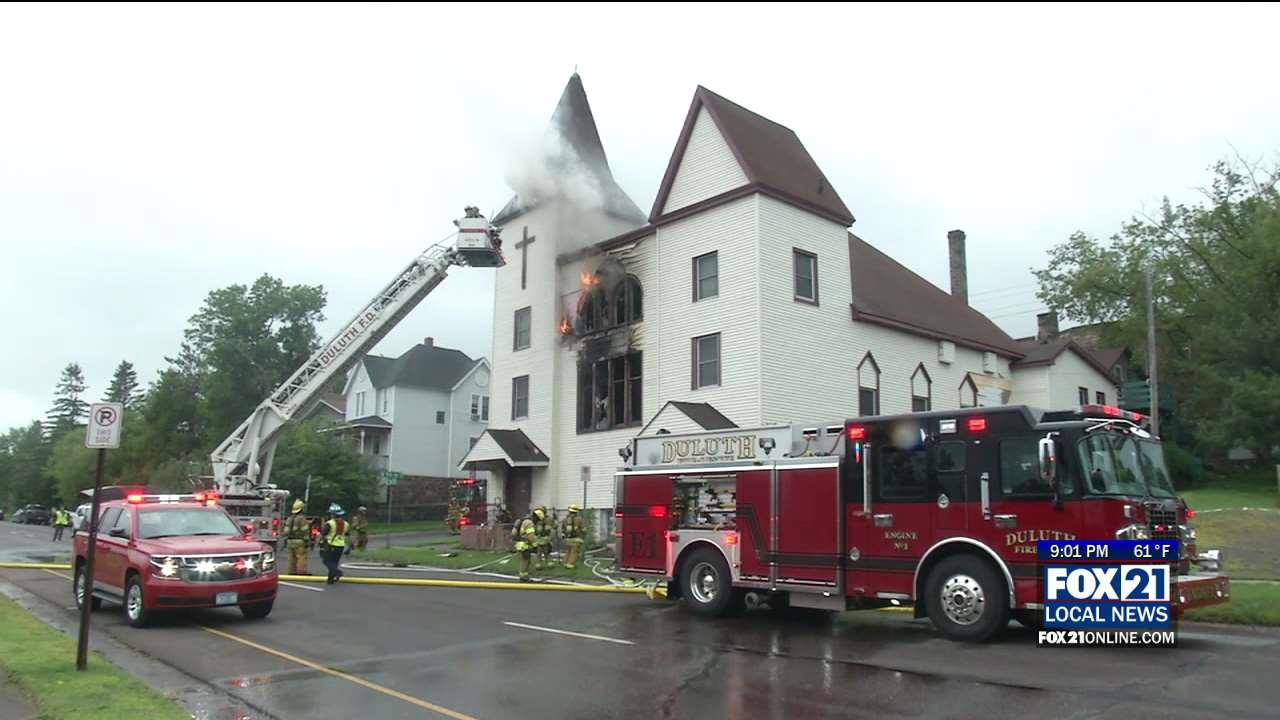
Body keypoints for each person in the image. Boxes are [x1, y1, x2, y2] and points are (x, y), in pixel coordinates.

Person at [320, 504, 349, 584]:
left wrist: (320, 543)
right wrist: (349, 547)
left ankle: (337, 572)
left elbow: (323, 534)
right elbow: (347, 534)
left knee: (326, 561)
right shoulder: (346, 524)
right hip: (341, 546)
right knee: (334, 562)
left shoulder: (329, 523)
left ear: (332, 514)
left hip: (331, 545)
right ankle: (330, 580)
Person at [283, 499, 310, 575]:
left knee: (292, 557)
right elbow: (305, 530)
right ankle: (302, 572)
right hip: (299, 541)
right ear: (301, 509)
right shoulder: (302, 519)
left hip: (290, 541)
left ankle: (291, 571)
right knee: (301, 557)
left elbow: (286, 531)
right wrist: (307, 540)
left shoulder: (289, 518)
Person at [510, 510, 538, 582]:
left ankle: (524, 576)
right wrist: (535, 545)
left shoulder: (522, 521)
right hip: (525, 545)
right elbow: (530, 536)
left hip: (519, 543)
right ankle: (523, 577)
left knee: (524, 560)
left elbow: (514, 533)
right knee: (526, 561)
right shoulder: (529, 523)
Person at [561, 505, 585, 569]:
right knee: (574, 552)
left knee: (568, 551)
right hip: (576, 539)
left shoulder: (565, 519)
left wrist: (564, 538)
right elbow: (584, 529)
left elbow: (562, 530)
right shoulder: (579, 519)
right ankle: (570, 564)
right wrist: (583, 535)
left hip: (568, 539)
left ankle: (565, 563)